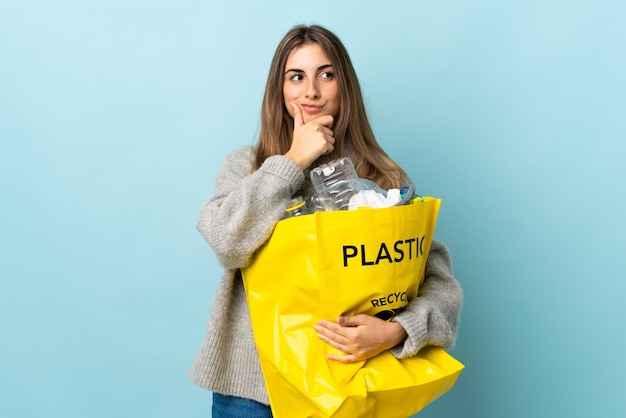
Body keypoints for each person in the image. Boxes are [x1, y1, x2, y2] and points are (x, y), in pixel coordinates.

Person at [189, 24, 463, 417]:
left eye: (326, 74)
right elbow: (225, 243)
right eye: (296, 77)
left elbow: (438, 281)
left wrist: (397, 331)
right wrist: (291, 162)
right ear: (279, 90)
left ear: (343, 86)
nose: (311, 91)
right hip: (253, 391)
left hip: (348, 387)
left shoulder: (385, 178)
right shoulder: (246, 166)